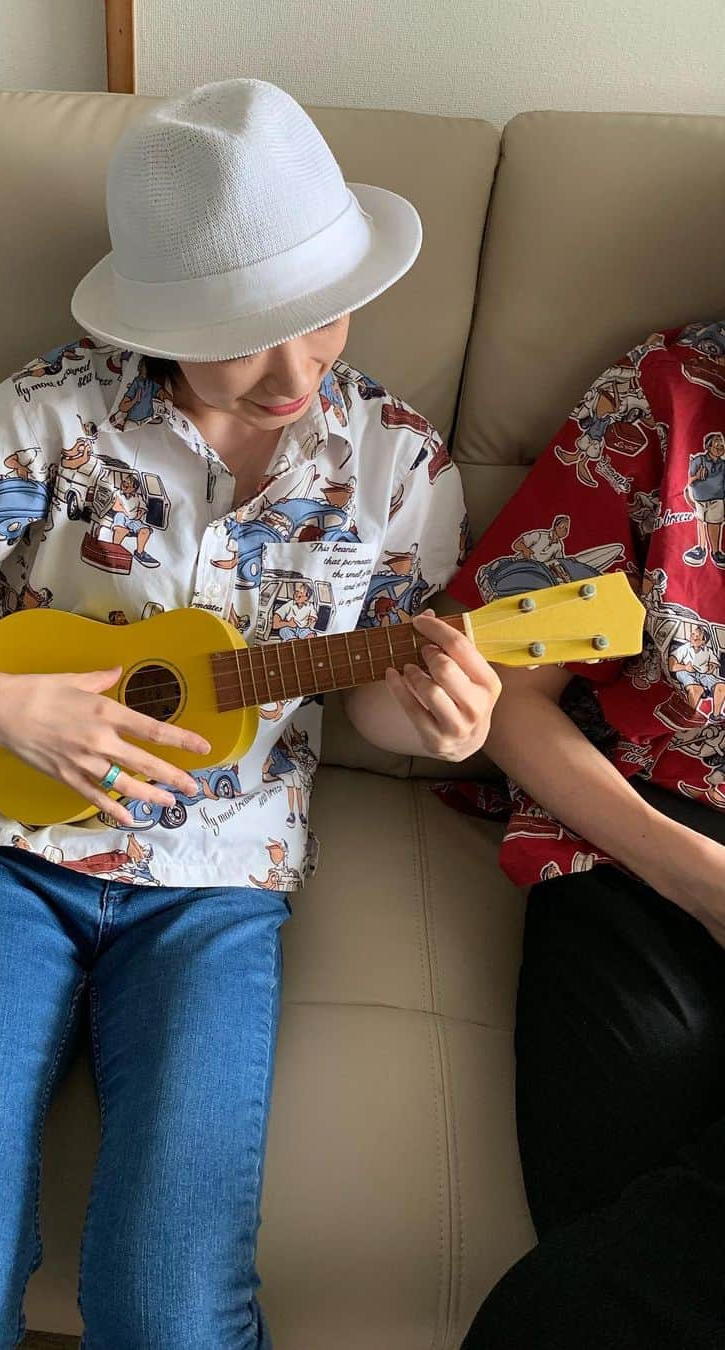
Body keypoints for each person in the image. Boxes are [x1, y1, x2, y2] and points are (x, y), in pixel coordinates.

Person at [0, 77, 501, 1350]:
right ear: (161, 316)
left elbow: (381, 710)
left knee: (172, 1315)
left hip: (221, 889)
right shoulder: (48, 416)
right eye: (248, 334)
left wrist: (448, 722)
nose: (296, 372)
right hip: (5, 863)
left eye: (323, 317)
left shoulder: (398, 460)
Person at [430, 321, 725, 1349]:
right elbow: (505, 695)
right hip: (638, 834)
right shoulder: (669, 390)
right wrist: (700, 880)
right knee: (604, 1220)